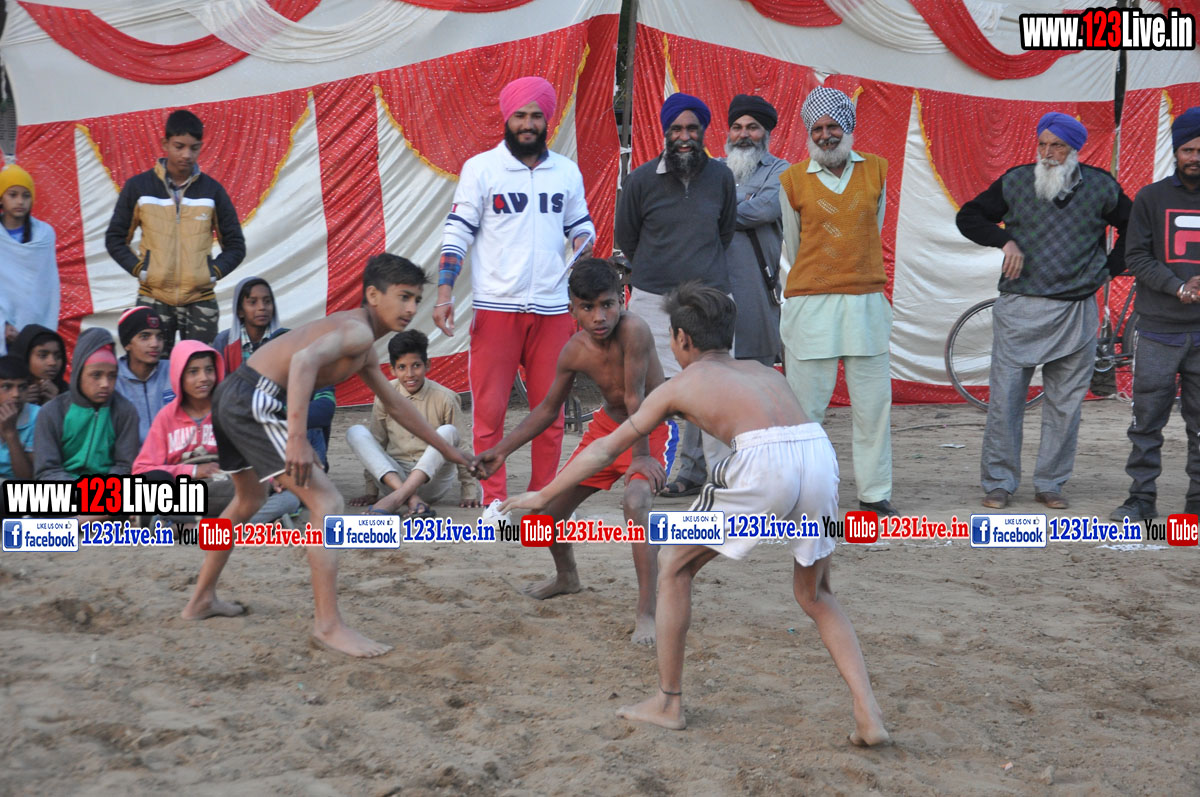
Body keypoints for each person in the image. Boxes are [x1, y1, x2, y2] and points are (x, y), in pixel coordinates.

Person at [502, 284, 888, 743]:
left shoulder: (681, 385)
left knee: (673, 564)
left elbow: (606, 448)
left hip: (763, 461)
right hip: (818, 453)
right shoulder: (764, 371)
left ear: (682, 339)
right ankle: (868, 713)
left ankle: (668, 702)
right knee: (817, 594)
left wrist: (544, 495)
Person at [181, 254, 478, 658]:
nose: (411, 308)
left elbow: (396, 406)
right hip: (254, 398)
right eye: (403, 297)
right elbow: (303, 361)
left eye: (416, 299)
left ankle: (201, 598)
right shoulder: (356, 331)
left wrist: (451, 452)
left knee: (249, 499)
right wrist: (297, 439)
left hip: (234, 395)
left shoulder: (363, 344)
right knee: (327, 502)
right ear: (373, 295)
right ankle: (328, 625)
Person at [475, 259, 669, 644]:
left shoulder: (634, 330)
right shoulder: (573, 351)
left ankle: (647, 612)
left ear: (622, 300)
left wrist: (641, 457)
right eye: (588, 307)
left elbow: (637, 399)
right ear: (572, 310)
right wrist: (502, 450)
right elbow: (548, 409)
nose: (599, 316)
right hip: (607, 428)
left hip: (650, 426)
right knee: (544, 517)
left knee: (636, 502)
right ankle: (567, 577)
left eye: (607, 305)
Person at [958, 111, 1132, 510]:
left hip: (1075, 309)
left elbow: (1136, 225)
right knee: (1005, 402)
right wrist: (1004, 241)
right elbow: (968, 216)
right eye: (1043, 144)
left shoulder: (1101, 187)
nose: (1048, 153)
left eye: (1058, 146)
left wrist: (1108, 269)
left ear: (1075, 149)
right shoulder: (1017, 181)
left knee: (1065, 405)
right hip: (1020, 307)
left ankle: (1051, 483)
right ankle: (999, 483)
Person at [436, 76, 595, 504]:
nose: (528, 124)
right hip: (496, 308)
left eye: (536, 116)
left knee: (551, 414)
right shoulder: (481, 169)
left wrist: (584, 241)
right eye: (520, 115)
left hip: (553, 311)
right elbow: (457, 233)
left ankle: (542, 499)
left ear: (548, 120)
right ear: (507, 118)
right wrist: (445, 293)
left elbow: (580, 224)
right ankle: (494, 502)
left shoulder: (566, 171)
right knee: (489, 414)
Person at [778, 86, 897, 516]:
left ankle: (874, 494)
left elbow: (871, 232)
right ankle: (804, 492)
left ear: (848, 126)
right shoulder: (792, 180)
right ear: (808, 133)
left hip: (865, 303)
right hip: (812, 305)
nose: (825, 135)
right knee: (805, 409)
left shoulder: (877, 170)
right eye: (817, 129)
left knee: (872, 407)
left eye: (833, 126)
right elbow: (794, 246)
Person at [615, 92, 736, 498]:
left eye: (692, 128)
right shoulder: (640, 180)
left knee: (714, 391)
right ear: (665, 132)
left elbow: (724, 232)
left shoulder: (721, 177)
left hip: (709, 302)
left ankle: (718, 481)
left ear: (703, 131)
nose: (684, 136)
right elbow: (627, 238)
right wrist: (661, 270)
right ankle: (649, 472)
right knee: (651, 390)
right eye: (676, 129)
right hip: (653, 301)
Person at [1111, 107, 1200, 521]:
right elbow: (1136, 256)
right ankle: (1141, 498)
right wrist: (1178, 287)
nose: (1195, 157)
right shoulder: (1150, 198)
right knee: (1146, 421)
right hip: (1158, 330)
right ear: (1176, 151)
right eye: (1188, 149)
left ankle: (1196, 504)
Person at [104, 109, 245, 355]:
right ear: (165, 144)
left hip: (200, 300)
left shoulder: (212, 191)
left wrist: (211, 273)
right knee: (152, 367)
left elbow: (235, 245)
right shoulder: (139, 187)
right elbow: (115, 238)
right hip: (153, 297)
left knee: (200, 366)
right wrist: (141, 270)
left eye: (194, 148)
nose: (187, 155)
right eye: (179, 146)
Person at [132, 340, 299, 524]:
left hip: (229, 483)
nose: (204, 378)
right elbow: (142, 470)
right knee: (154, 492)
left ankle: (203, 528)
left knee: (289, 497)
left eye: (209, 370)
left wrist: (272, 478)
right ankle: (238, 525)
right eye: (193, 372)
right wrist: (193, 470)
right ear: (178, 375)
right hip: (187, 492)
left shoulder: (229, 409)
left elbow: (252, 456)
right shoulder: (166, 417)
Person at [346, 330, 480, 517]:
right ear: (392, 370)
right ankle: (410, 498)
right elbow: (377, 443)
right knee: (356, 432)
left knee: (448, 431)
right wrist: (371, 491)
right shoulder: (385, 394)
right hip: (393, 479)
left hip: (431, 482)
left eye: (416, 366)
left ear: (427, 365)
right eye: (402, 367)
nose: (410, 374)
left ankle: (397, 498)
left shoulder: (445, 397)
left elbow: (463, 446)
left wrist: (469, 492)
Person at [723, 94, 787, 365]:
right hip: (713, 292)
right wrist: (746, 201)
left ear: (766, 133)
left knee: (756, 373)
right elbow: (696, 211)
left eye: (752, 127)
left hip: (756, 292)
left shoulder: (780, 170)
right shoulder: (713, 169)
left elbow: (764, 210)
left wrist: (719, 210)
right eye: (737, 127)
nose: (743, 135)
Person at [33, 328, 139, 481]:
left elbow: (125, 466)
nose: (105, 384)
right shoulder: (52, 411)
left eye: (112, 376)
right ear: (78, 373)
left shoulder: (125, 411)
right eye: (96, 375)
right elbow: (47, 470)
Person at [0, 164, 58, 351]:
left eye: (26, 196)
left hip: (36, 326)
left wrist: (33, 330)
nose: (20, 201)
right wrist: (2, 324)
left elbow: (47, 287)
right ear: (1, 198)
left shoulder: (44, 235)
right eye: (13, 195)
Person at [114, 306, 174, 443]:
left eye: (159, 337)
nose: (155, 344)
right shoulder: (113, 378)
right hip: (130, 455)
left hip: (174, 454)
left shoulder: (174, 370)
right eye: (145, 337)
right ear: (127, 344)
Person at [0, 356, 37, 483]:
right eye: (7, 387)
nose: (16, 394)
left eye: (22, 387)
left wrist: (11, 434)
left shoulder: (37, 416)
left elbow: (26, 477)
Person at [13, 324, 67, 406]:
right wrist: (18, 405)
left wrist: (57, 404)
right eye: (43, 356)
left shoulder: (71, 395)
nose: (53, 362)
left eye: (58, 356)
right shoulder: (4, 390)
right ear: (25, 356)